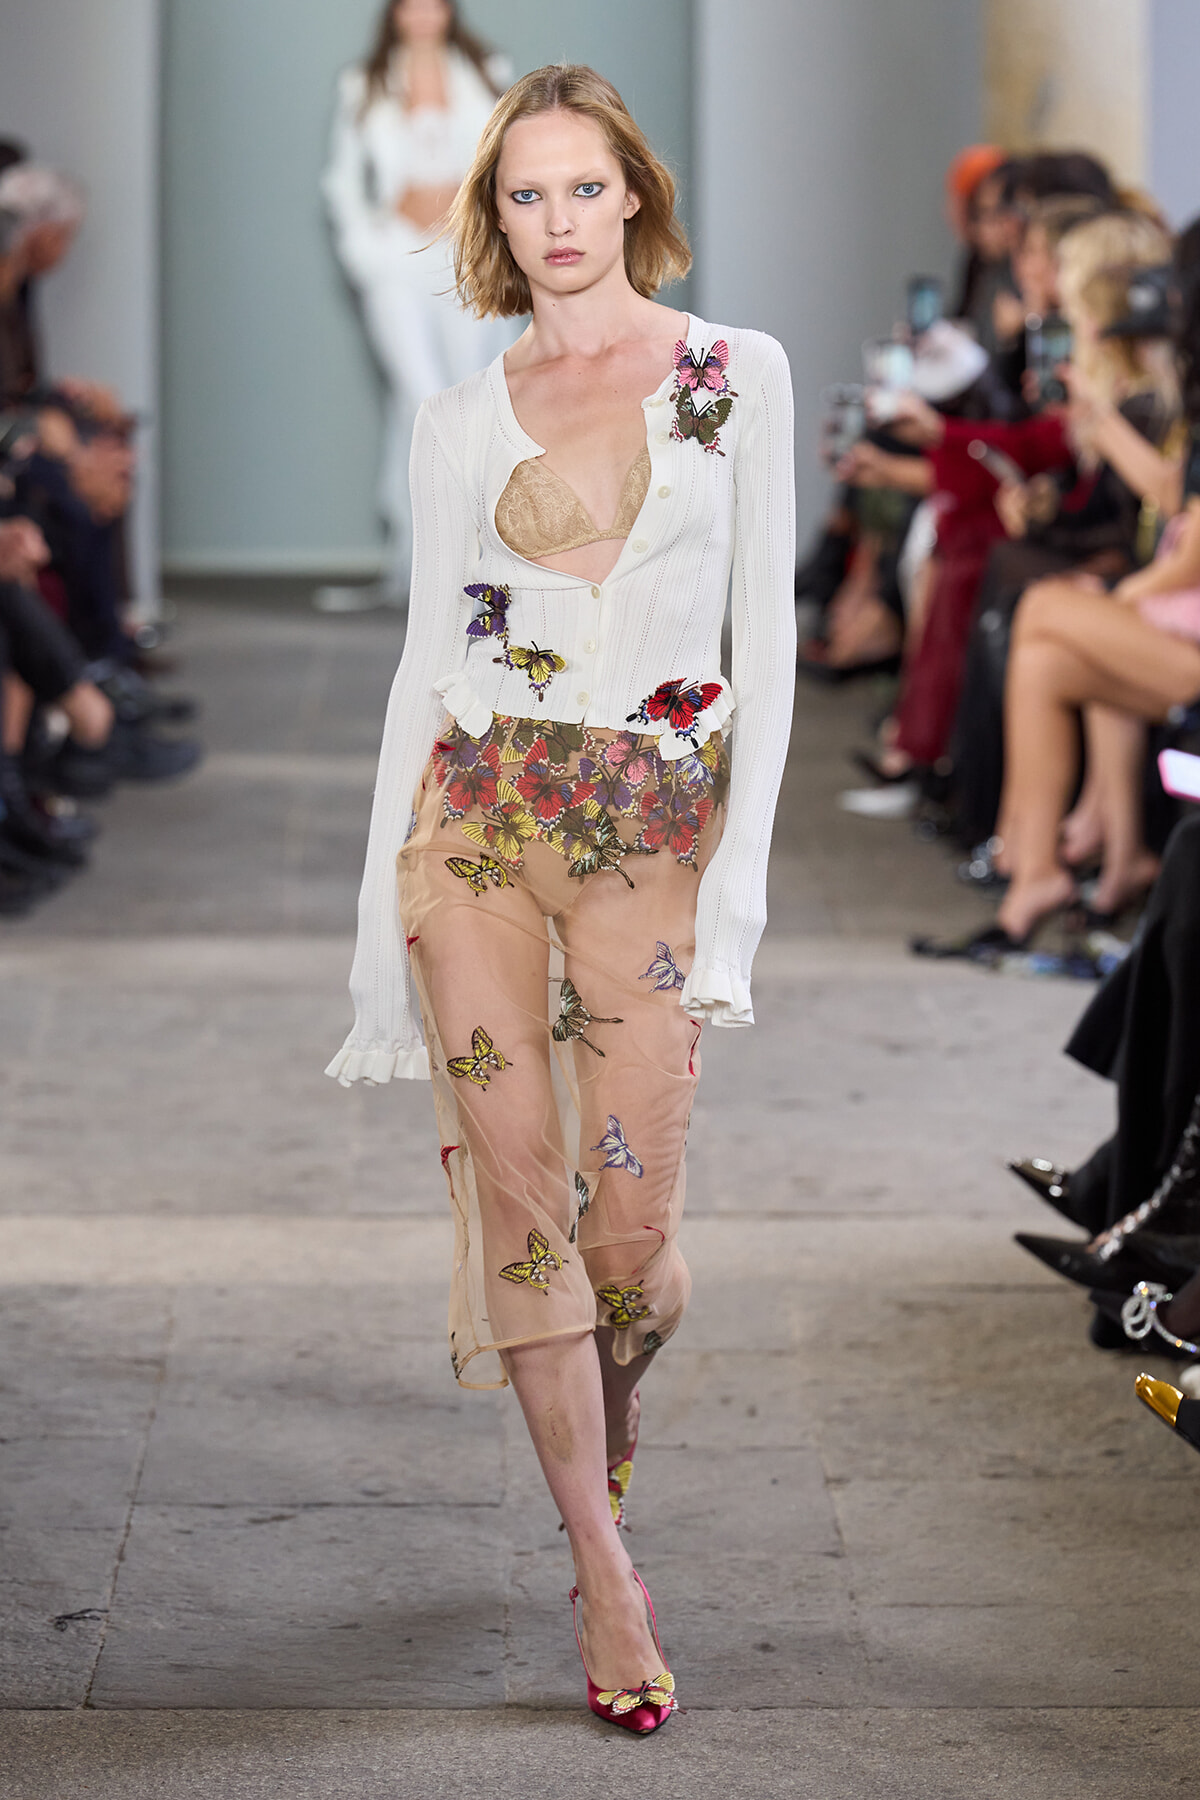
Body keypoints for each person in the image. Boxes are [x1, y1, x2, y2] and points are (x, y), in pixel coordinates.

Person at [326, 63, 795, 1730]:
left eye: (583, 189)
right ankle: (602, 1563)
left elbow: (768, 651)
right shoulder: (464, 416)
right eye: (524, 195)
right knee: (516, 1191)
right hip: (478, 818)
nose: (556, 221)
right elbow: (423, 671)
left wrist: (732, 901)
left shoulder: (732, 378)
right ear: (493, 217)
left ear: (634, 197)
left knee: (630, 1227)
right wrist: (371, 955)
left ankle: (618, 1367)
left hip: (649, 825)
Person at [322, 0, 518, 608]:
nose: (424, 12)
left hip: (463, 258)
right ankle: (419, 566)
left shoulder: (488, 71)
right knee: (419, 399)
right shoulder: (364, 83)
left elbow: (508, 163)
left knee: (471, 399)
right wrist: (365, 250)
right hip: (397, 256)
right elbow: (340, 179)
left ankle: (477, 566)